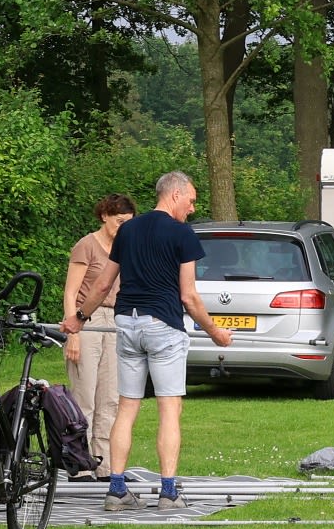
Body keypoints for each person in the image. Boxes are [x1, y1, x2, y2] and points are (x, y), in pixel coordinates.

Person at [62, 171, 232, 511]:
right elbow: (189, 296)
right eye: (191, 200)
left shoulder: (128, 231)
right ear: (175, 194)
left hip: (127, 323)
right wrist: (216, 333)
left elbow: (102, 286)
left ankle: (116, 489)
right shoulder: (182, 234)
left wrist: (78, 319)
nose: (192, 208)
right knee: (170, 409)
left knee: (126, 407)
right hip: (163, 326)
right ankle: (168, 493)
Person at [62, 193, 136, 481]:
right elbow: (71, 292)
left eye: (128, 223)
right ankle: (80, 465)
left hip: (116, 319)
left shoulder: (125, 247)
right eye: (119, 221)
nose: (122, 227)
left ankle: (105, 466)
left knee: (111, 398)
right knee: (85, 396)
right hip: (88, 318)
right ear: (104, 216)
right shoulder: (87, 246)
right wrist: (74, 334)